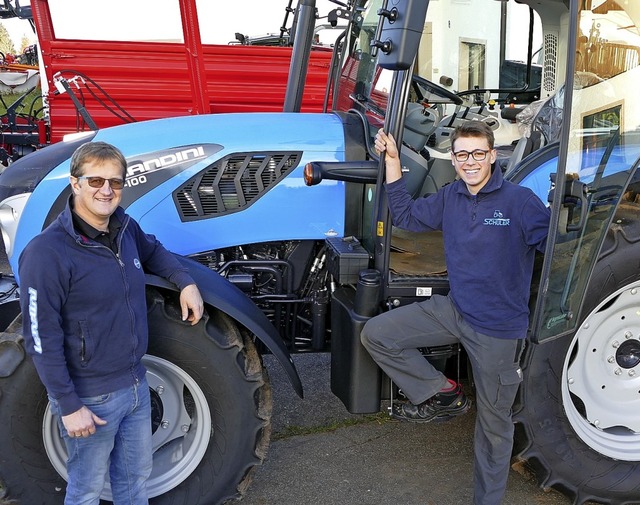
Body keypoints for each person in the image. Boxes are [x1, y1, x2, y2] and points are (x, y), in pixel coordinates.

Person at [361, 121, 549, 505]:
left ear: (492, 156)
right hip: (455, 310)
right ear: (455, 158)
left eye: (478, 153)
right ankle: (442, 391)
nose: (470, 161)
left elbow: (558, 249)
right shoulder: (451, 197)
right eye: (462, 154)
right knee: (377, 335)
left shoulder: (520, 202)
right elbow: (407, 217)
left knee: (494, 430)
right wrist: (393, 162)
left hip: (498, 330)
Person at [19, 141, 205, 505]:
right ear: (75, 184)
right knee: (86, 490)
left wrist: (186, 281)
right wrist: (68, 405)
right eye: (96, 181)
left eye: (115, 183)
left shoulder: (124, 228)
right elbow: (40, 338)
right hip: (91, 397)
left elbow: (154, 250)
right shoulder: (46, 253)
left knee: (135, 483)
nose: (106, 191)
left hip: (136, 385)